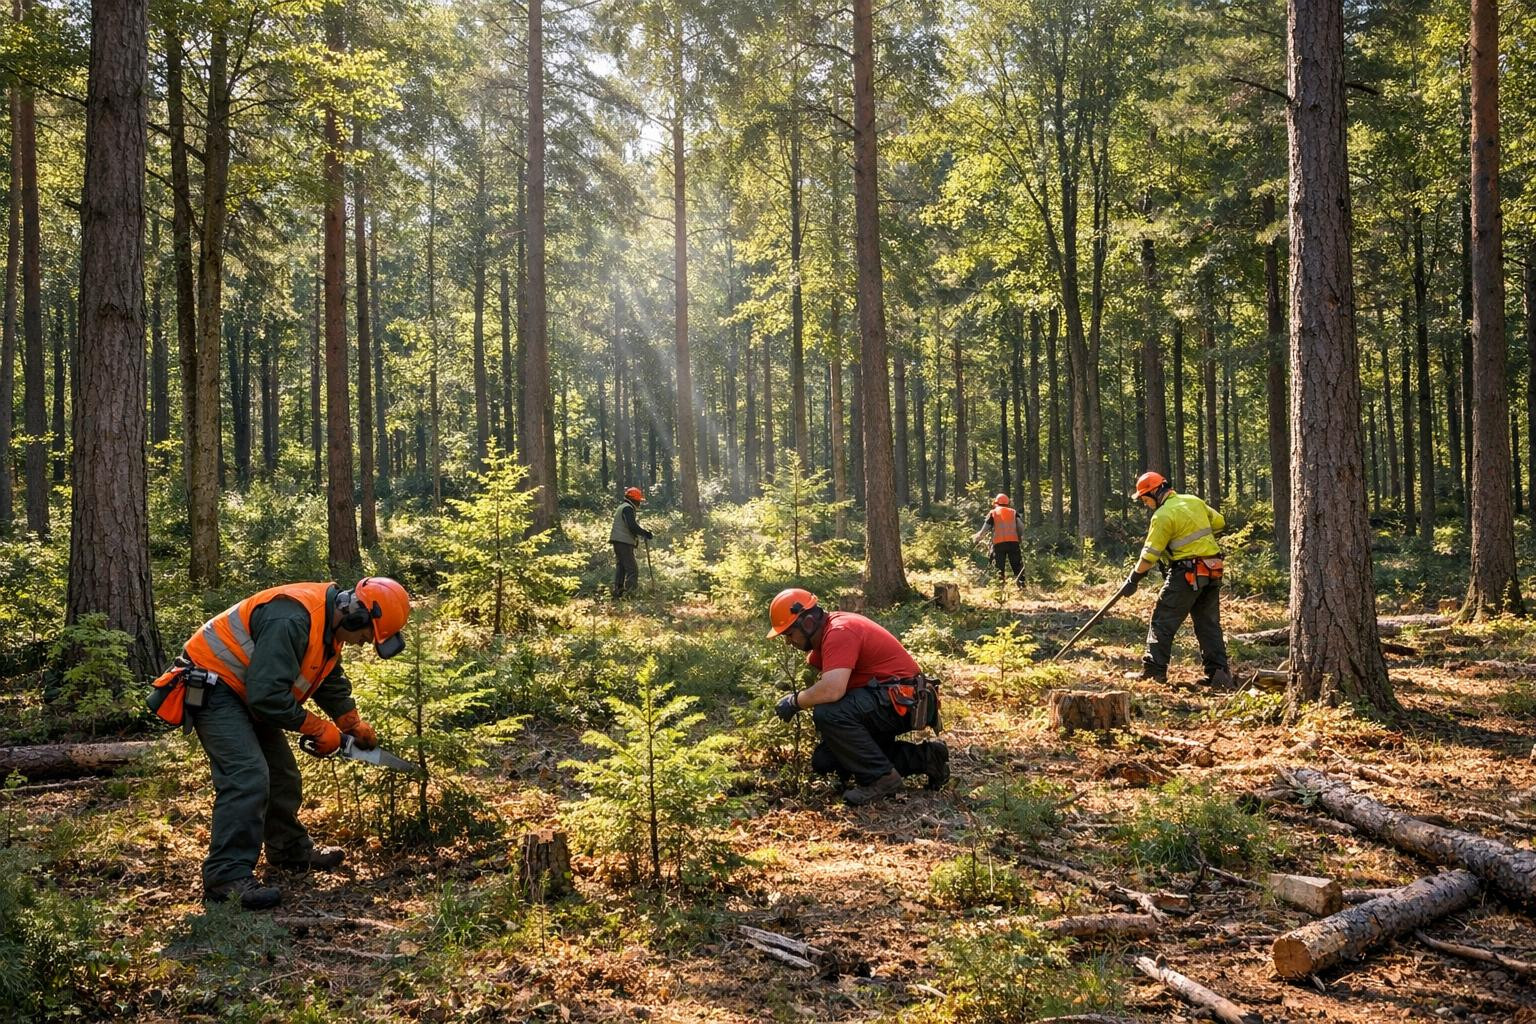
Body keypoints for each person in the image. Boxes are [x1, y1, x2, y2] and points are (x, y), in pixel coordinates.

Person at [150, 577, 411, 909]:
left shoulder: (326, 629)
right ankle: (226, 877)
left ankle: (288, 850)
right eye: (365, 636)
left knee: (283, 775)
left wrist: (350, 722)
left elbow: (326, 675)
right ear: (354, 615)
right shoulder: (292, 617)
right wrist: (317, 728)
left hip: (246, 691)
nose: (362, 644)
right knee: (247, 776)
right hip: (214, 686)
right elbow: (267, 697)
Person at [766, 588, 948, 805]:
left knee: (829, 714)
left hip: (902, 701)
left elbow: (833, 690)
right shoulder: (825, 641)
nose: (788, 642)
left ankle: (882, 779)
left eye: (789, 634)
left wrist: (794, 701)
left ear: (806, 623)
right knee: (825, 760)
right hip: (887, 701)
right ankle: (927, 758)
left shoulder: (840, 631)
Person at [1119, 472, 1232, 687]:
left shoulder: (1162, 516)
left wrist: (1133, 579)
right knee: (1208, 624)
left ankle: (1154, 672)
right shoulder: (1193, 501)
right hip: (1212, 570)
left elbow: (1149, 555)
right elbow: (1219, 522)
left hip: (1186, 574)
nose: (1145, 503)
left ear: (1155, 492)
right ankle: (1219, 674)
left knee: (1163, 620)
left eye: (1145, 498)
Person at [611, 486, 654, 599]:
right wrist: (645, 533)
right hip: (623, 542)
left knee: (621, 567)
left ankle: (618, 592)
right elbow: (632, 526)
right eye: (639, 500)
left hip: (618, 541)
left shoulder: (622, 507)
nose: (639, 502)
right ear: (634, 499)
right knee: (632, 569)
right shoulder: (628, 508)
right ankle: (630, 594)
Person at [972, 493, 1023, 587]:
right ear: (1008, 503)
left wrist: (977, 538)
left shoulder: (993, 513)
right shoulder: (1013, 512)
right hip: (1013, 543)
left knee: (998, 567)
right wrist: (1019, 537)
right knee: (1017, 565)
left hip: (999, 544)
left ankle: (999, 587)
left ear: (996, 502)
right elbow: (1020, 526)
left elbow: (984, 529)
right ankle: (1022, 586)